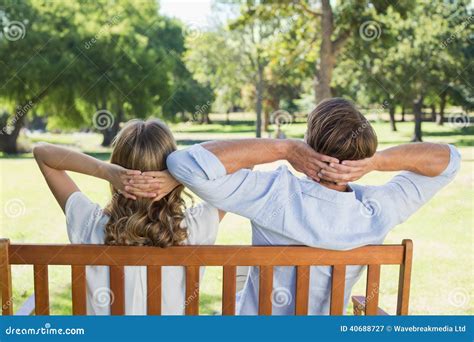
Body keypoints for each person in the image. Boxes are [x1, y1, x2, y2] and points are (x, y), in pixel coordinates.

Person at [145, 98, 460, 315]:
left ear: (311, 141)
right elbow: (449, 161)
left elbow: (183, 163)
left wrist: (285, 148)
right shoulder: (377, 207)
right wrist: (378, 162)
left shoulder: (275, 193)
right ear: (362, 152)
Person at [33, 119, 224, 315]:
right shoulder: (194, 227)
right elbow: (246, 162)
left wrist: (106, 171)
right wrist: (179, 175)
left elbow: (42, 153)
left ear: (117, 168)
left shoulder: (90, 224)